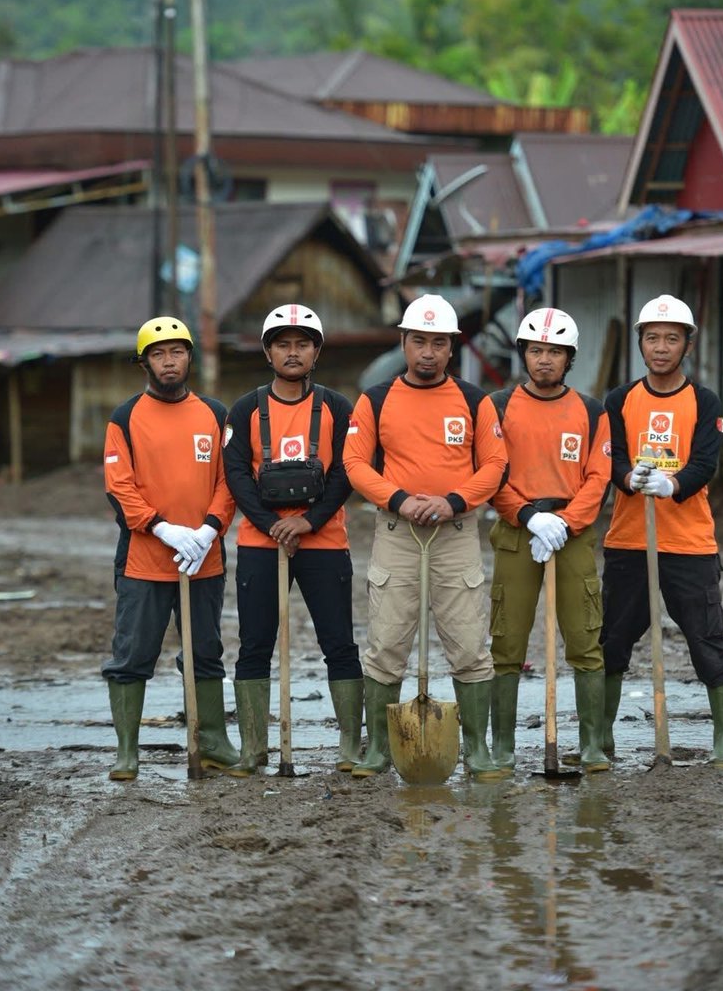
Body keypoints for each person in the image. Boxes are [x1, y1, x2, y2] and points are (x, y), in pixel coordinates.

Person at [342, 293, 508, 781]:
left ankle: (476, 749)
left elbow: (495, 465)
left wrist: (454, 500)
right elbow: (354, 463)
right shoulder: (375, 398)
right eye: (419, 341)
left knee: (468, 642)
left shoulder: (475, 400)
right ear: (404, 342)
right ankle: (377, 749)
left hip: (456, 533)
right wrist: (399, 498)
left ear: (452, 347)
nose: (429, 352)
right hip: (396, 532)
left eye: (439, 343)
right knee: (387, 641)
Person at [222, 304, 362, 774]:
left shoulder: (338, 407)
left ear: (317, 351)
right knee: (255, 645)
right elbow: (237, 473)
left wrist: (309, 521)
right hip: (261, 544)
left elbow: (347, 469)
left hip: (324, 541)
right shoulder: (244, 409)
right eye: (283, 344)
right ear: (267, 351)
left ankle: (349, 746)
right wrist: (270, 524)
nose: (293, 352)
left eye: (303, 343)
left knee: (339, 642)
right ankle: (254, 749)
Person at [601, 294, 723, 768]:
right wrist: (628, 478)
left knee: (708, 641)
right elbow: (611, 457)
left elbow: (706, 462)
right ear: (640, 341)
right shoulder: (619, 400)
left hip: (689, 542)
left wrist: (671, 482)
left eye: (671, 339)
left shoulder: (704, 401)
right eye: (653, 337)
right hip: (628, 540)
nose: (661, 347)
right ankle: (602, 739)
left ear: (687, 345)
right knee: (613, 641)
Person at [102, 316, 239, 780]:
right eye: (158, 354)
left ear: (189, 357)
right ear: (144, 362)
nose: (168, 361)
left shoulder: (216, 414)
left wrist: (207, 531)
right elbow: (120, 487)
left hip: (205, 560)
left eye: (176, 351)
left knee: (204, 652)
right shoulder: (125, 418)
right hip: (145, 562)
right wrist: (162, 528)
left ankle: (214, 740)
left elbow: (229, 481)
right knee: (132, 654)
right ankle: (127, 749)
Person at [488, 308, 612, 774]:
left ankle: (593, 744)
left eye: (554, 352)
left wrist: (566, 522)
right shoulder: (498, 406)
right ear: (524, 354)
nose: (545, 360)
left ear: (569, 358)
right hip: (518, 532)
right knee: (507, 641)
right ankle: (501, 746)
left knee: (584, 639)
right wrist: (528, 517)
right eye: (537, 350)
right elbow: (491, 473)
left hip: (573, 535)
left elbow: (599, 477)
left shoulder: (591, 410)